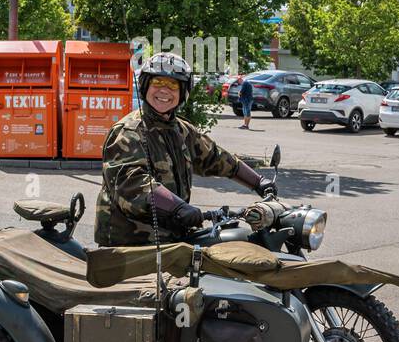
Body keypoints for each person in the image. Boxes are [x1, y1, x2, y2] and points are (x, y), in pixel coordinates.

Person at [95, 52, 276, 247]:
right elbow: (132, 185)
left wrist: (259, 182)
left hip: (172, 240)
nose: (164, 90)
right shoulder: (129, 132)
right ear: (145, 85)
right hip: (130, 247)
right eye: (157, 82)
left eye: (173, 85)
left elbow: (216, 158)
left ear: (183, 92)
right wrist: (179, 208)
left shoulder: (181, 130)